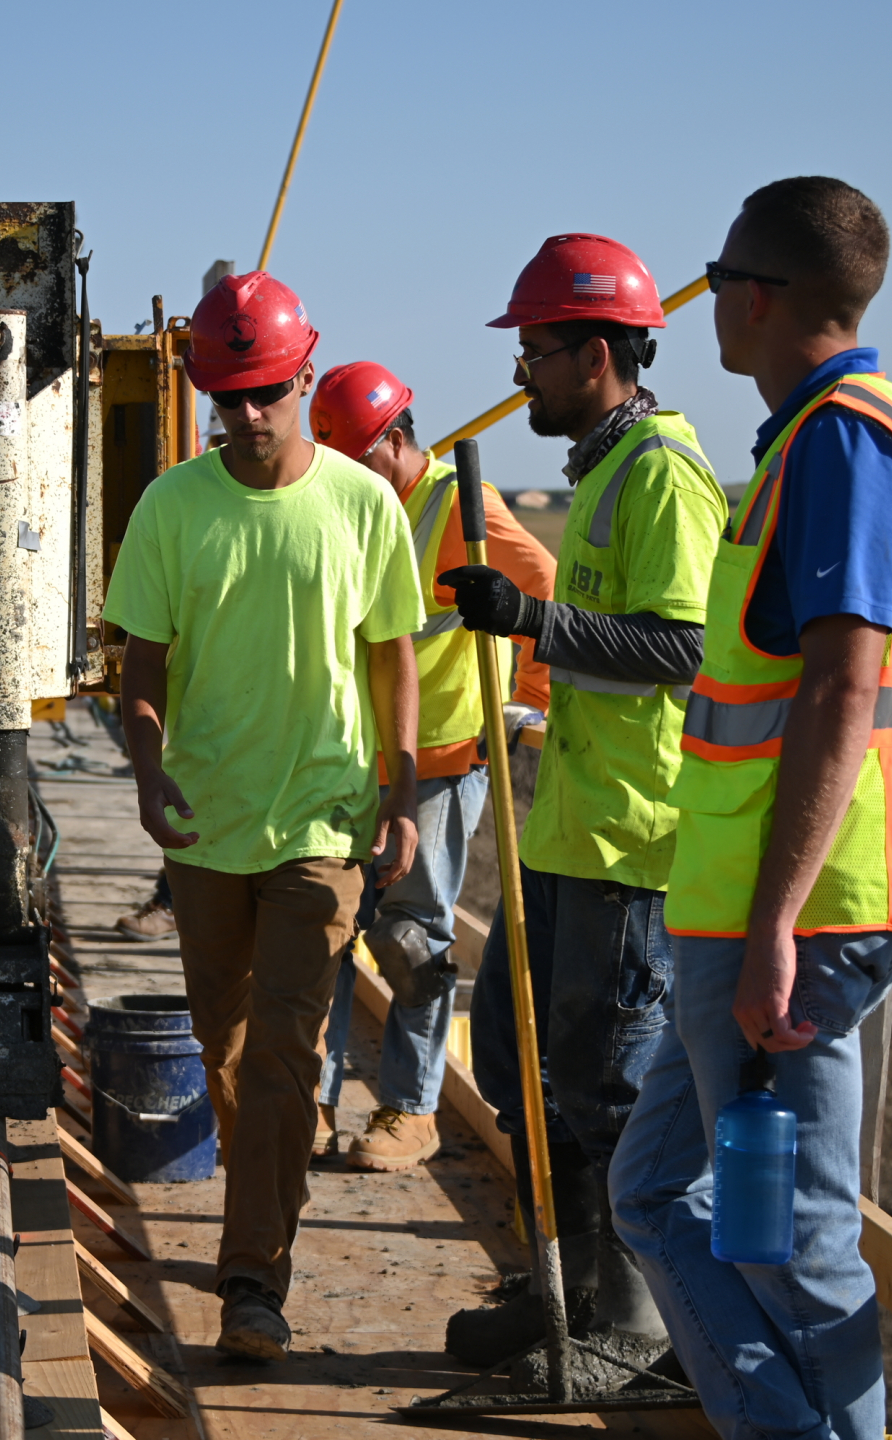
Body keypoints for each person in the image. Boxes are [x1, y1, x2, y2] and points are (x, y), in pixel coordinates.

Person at [608, 177, 892, 1439]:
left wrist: (772, 928)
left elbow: (839, 688)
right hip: (749, 908)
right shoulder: (816, 436)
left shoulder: (840, 441)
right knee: (654, 1193)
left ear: (753, 298)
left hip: (799, 916)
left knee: (798, 1251)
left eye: (709, 283)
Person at [102, 271, 425, 1363]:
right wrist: (148, 778)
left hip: (323, 823)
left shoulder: (362, 504)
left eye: (268, 394)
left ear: (304, 375)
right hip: (205, 826)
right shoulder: (171, 508)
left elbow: (392, 654)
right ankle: (261, 1210)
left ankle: (252, 1280)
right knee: (227, 1049)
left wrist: (403, 788)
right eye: (226, 398)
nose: (247, 417)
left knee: (289, 1047)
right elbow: (140, 671)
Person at [436, 233, 728, 1368]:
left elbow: (682, 646)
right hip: (568, 830)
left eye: (540, 351)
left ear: (596, 352)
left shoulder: (660, 472)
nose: (525, 375)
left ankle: (633, 1322)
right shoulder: (604, 466)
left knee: (607, 1089)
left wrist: (526, 623)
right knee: (514, 1067)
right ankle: (555, 1287)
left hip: (629, 840)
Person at [303, 361, 557, 1172]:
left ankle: (410, 1112)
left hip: (441, 758)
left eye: (357, 461)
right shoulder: (355, 504)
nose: (346, 477)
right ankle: (313, 1100)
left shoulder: (455, 503)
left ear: (397, 440)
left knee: (411, 940)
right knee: (329, 929)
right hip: (354, 757)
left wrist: (531, 700)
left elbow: (541, 585)